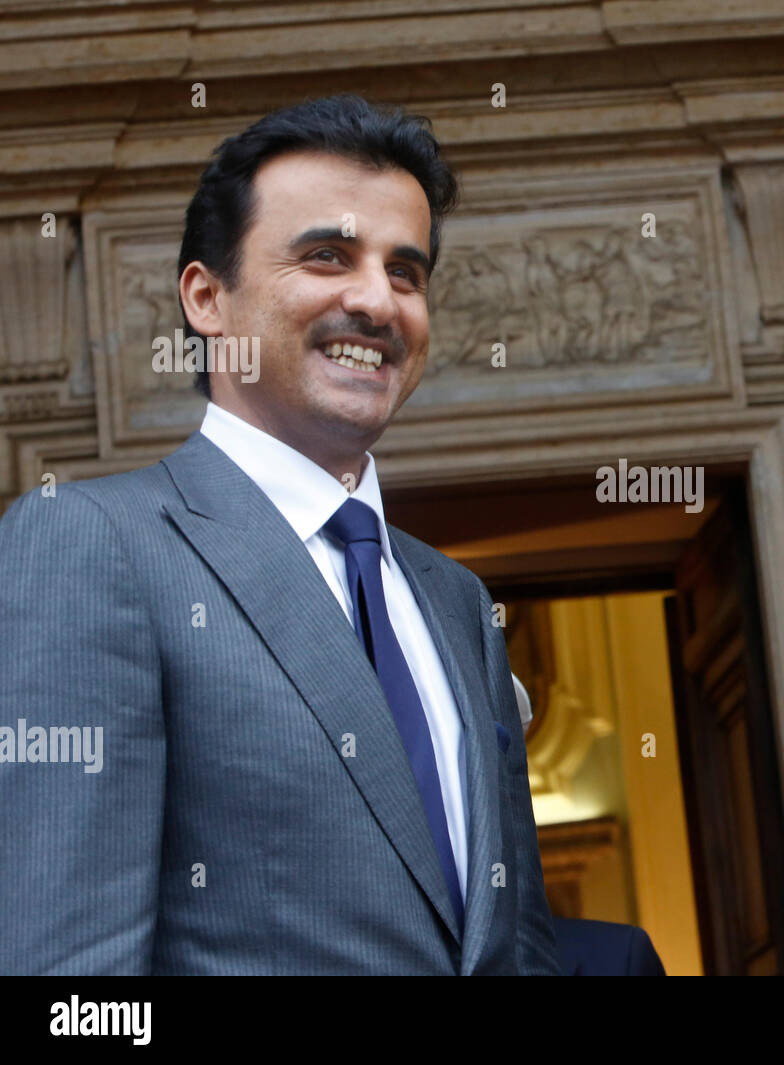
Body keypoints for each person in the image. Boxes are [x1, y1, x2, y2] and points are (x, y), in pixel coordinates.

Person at [0, 94, 559, 975]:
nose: (377, 300)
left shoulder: (458, 602)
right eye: (328, 256)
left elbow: (516, 948)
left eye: (406, 272)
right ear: (206, 297)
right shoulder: (91, 546)